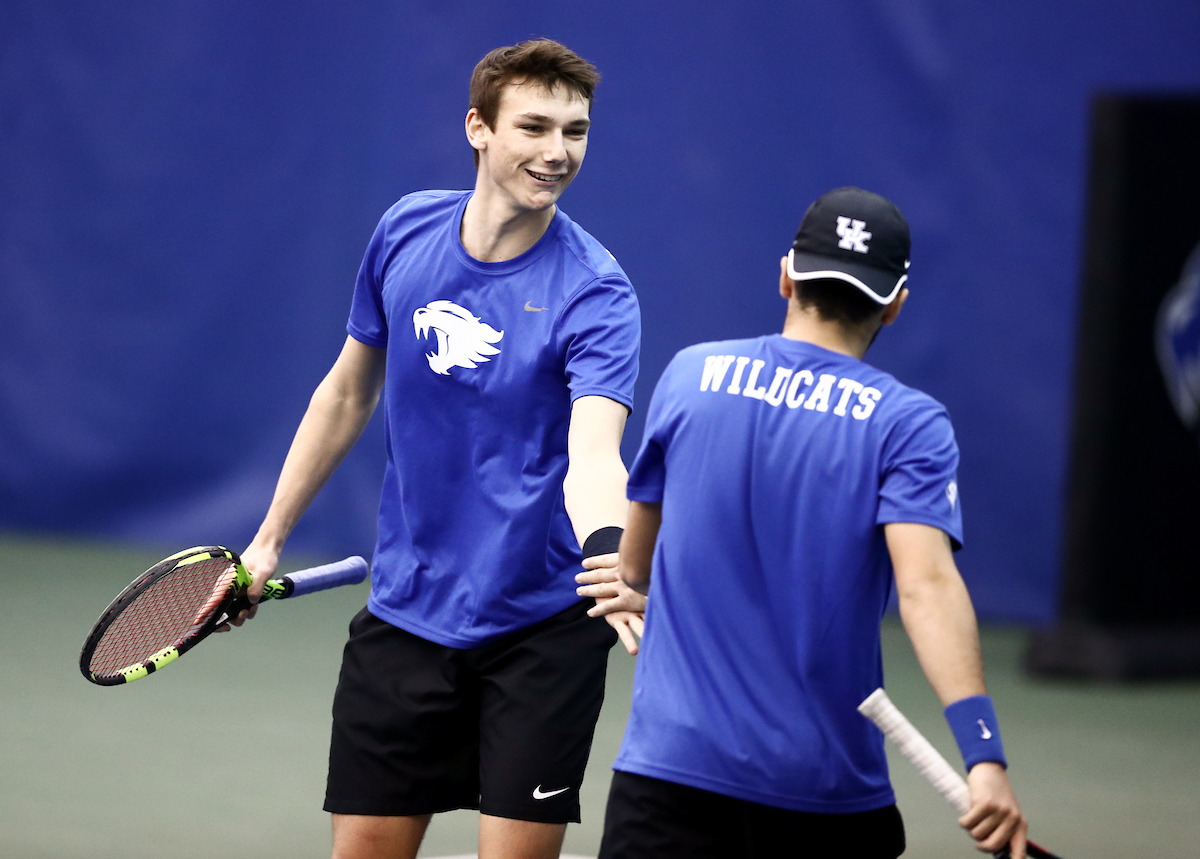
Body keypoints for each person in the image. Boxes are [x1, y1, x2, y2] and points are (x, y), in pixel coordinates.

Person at [224, 39, 645, 859]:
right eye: (534, 126)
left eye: (576, 131)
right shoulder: (405, 230)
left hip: (542, 625)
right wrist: (266, 541)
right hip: (408, 609)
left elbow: (594, 453)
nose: (558, 152)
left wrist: (609, 555)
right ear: (478, 129)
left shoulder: (598, 292)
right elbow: (346, 390)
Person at [593, 187, 1029, 858]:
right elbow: (927, 587)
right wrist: (984, 755)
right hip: (822, 797)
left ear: (786, 275)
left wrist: (638, 579)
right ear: (895, 303)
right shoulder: (909, 424)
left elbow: (635, 565)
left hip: (668, 778)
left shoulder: (689, 375)